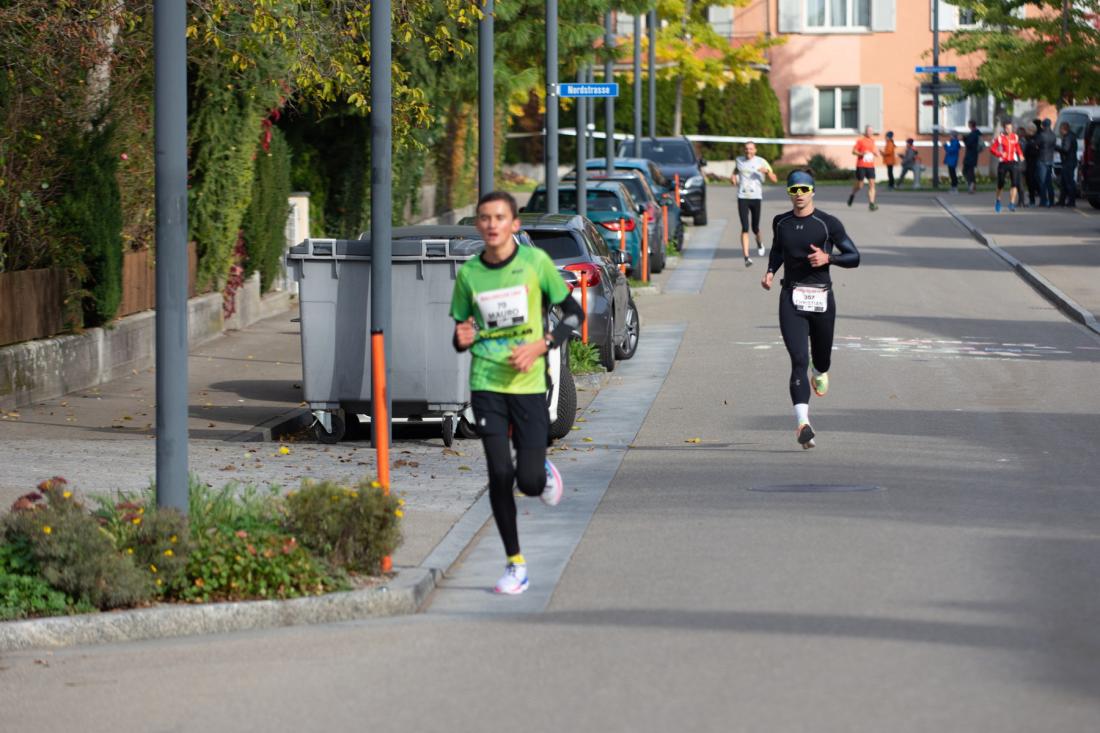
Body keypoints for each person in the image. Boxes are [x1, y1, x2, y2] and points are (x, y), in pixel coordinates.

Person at [450, 191, 585, 595]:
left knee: (528, 482)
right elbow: (460, 332)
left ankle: (539, 468)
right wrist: (461, 337)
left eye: (499, 217)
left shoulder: (535, 264)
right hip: (486, 384)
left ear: (514, 225)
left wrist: (542, 344)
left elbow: (574, 314)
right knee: (498, 474)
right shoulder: (469, 274)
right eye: (485, 218)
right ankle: (515, 564)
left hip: (528, 385)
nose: (492, 224)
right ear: (478, 224)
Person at [762, 170, 860, 449]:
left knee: (821, 359)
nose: (799, 194)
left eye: (804, 189)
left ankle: (820, 370)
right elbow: (777, 250)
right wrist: (770, 271)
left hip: (821, 299)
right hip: (791, 297)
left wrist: (829, 258)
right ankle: (803, 424)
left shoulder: (828, 224)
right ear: (788, 193)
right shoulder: (781, 222)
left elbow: (854, 257)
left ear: (813, 191)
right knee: (798, 359)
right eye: (794, 190)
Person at [731, 140, 778, 267]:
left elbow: (775, 180)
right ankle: (746, 257)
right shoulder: (739, 160)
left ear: (755, 150)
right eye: (746, 148)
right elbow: (736, 170)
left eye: (751, 148)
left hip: (756, 197)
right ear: (744, 150)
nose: (748, 151)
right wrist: (733, 177)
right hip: (742, 197)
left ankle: (759, 242)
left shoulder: (761, 161)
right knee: (745, 227)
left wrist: (767, 172)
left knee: (755, 227)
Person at [990, 119, 1023, 212]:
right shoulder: (1000, 138)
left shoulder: (1015, 137)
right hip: (1003, 162)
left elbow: (1017, 147)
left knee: (1014, 183)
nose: (1009, 130)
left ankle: (1011, 204)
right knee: (1000, 184)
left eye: (1011, 128)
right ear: (1004, 129)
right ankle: (998, 200)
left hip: (1013, 162)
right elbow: (992, 149)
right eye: (1007, 128)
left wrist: (1020, 154)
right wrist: (1000, 154)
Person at [847, 125, 880, 211]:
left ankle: (871, 204)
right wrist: (862, 153)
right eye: (868, 131)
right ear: (865, 131)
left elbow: (875, 151)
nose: (870, 132)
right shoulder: (860, 141)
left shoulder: (873, 141)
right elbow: (854, 151)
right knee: (860, 185)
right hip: (861, 165)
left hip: (870, 166)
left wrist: (876, 153)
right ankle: (852, 194)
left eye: (871, 131)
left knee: (872, 184)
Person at [1036, 118, 1057, 207]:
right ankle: (1051, 201)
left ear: (1043, 125)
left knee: (1042, 181)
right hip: (1050, 159)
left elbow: (1036, 145)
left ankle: (1043, 201)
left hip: (1042, 159)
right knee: (1049, 182)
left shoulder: (1041, 135)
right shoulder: (1053, 135)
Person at [1057, 121, 1078, 207]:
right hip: (1069, 161)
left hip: (1068, 162)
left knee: (1069, 182)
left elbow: (1065, 149)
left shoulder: (1068, 137)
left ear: (1063, 129)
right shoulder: (1071, 136)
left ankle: (1071, 201)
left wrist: (1056, 147)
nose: (1059, 131)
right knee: (1064, 182)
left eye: (1060, 129)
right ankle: (1062, 201)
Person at [963, 119, 983, 194]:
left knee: (968, 171)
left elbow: (969, 144)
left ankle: (971, 185)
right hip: (973, 155)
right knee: (969, 171)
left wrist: (964, 139)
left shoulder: (973, 134)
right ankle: (972, 185)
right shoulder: (976, 133)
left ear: (970, 125)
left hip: (970, 155)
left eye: (969, 124)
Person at [1023, 123, 1040, 207]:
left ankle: (1032, 201)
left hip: (1031, 163)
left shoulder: (1032, 140)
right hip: (1032, 163)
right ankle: (1033, 199)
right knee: (1031, 182)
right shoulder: (1032, 139)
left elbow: (1029, 152)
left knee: (1031, 182)